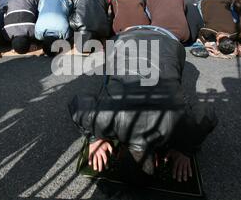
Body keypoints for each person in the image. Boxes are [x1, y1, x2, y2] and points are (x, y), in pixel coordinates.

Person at [69, 27, 217, 180]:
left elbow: (208, 114)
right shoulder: (106, 121)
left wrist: (185, 148)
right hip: (124, 38)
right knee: (111, 76)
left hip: (169, 40)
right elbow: (77, 102)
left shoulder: (179, 129)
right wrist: (96, 136)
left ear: (157, 160)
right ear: (118, 153)